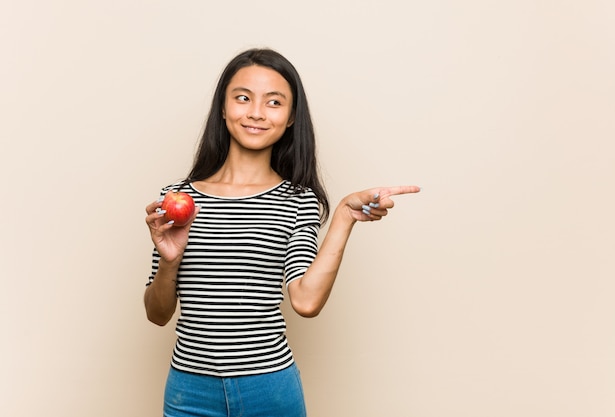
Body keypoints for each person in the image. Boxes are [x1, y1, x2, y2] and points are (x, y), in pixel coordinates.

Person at [144, 47, 420, 417]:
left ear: (290, 118)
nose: (256, 112)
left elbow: (306, 302)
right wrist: (169, 260)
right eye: (243, 98)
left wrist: (343, 216)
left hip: (268, 389)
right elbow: (158, 313)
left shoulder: (297, 202)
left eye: (274, 102)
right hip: (188, 391)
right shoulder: (178, 199)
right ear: (223, 108)